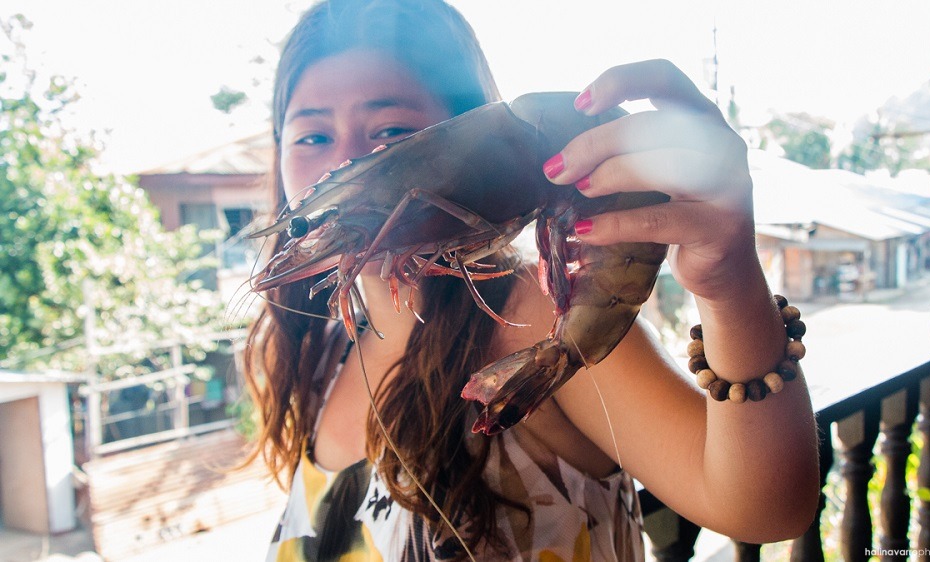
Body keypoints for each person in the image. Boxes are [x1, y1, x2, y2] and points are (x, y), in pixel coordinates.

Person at [242, 1, 820, 560]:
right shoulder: (322, 354)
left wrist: (729, 284)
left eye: (391, 130)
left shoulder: (535, 317)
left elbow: (766, 508)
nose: (341, 162)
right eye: (311, 136)